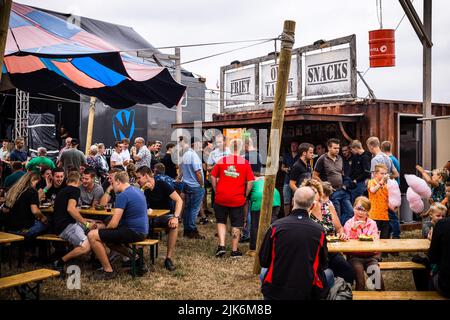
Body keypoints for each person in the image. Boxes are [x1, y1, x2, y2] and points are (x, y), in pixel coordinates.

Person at [259, 186, 329, 300]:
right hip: (307, 291)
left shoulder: (275, 227)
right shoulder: (319, 231)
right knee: (329, 274)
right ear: (312, 205)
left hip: (275, 291)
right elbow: (324, 263)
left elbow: (264, 261)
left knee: (264, 272)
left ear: (292, 201)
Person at [87, 171, 149, 280]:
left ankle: (108, 271)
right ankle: (136, 259)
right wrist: (104, 229)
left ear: (119, 182)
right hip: (142, 231)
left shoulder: (122, 195)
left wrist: (102, 230)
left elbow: (114, 224)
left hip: (132, 231)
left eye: (113, 182)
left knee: (92, 235)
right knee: (110, 241)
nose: (112, 185)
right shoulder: (138, 190)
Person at [302, 179, 354, 285]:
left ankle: (341, 291)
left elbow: (339, 227)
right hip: (313, 253)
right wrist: (308, 211)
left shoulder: (328, 207)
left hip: (331, 251)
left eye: (314, 192)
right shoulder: (303, 211)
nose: (312, 195)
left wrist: (341, 233)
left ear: (320, 194)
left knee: (348, 271)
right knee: (322, 275)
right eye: (309, 192)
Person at [211, 139, 255, 258]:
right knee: (236, 223)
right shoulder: (245, 163)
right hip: (237, 198)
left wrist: (216, 189)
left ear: (229, 147)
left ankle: (221, 246)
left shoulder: (222, 160)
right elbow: (251, 180)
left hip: (221, 197)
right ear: (240, 148)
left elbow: (213, 176)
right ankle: (235, 251)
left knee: (221, 221)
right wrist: (245, 194)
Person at [136, 166, 183, 271]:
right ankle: (138, 258)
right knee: (135, 226)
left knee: (174, 225)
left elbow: (179, 200)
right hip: (149, 218)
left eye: (139, 178)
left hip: (165, 216)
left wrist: (176, 217)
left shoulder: (162, 184)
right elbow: (138, 205)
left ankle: (168, 258)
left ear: (146, 176)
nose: (137, 180)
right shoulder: (143, 189)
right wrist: (143, 189)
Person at [52, 171, 96, 273]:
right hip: (67, 226)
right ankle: (60, 262)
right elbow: (70, 209)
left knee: (95, 229)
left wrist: (85, 221)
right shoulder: (75, 190)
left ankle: (95, 260)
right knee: (86, 246)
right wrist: (86, 223)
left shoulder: (62, 191)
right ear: (78, 181)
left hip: (59, 226)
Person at [343, 196, 384, 291]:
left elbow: (375, 240)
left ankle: (381, 295)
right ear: (353, 209)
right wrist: (353, 229)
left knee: (378, 282)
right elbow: (347, 244)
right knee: (361, 282)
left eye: (364, 210)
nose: (360, 212)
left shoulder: (372, 223)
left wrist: (373, 240)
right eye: (358, 209)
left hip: (370, 257)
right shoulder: (349, 223)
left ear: (368, 212)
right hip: (355, 257)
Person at [313, 138, 353, 225]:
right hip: (332, 192)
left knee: (350, 212)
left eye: (338, 148)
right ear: (329, 148)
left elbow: (341, 174)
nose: (337, 150)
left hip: (342, 189)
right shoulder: (322, 159)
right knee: (336, 214)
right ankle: (337, 233)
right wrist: (325, 186)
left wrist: (345, 185)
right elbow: (314, 176)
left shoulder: (340, 158)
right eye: (335, 148)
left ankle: (342, 228)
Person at [2, 172, 48, 239]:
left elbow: (5, 210)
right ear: (34, 181)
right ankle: (35, 248)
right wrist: (43, 217)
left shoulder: (13, 190)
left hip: (9, 229)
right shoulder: (32, 191)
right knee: (47, 224)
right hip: (23, 230)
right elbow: (35, 211)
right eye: (37, 183)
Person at [179, 136, 205, 239]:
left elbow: (181, 169)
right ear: (194, 144)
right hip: (195, 185)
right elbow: (198, 172)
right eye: (200, 143)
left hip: (187, 184)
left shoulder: (186, 154)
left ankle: (187, 229)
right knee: (194, 209)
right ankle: (191, 230)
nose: (201, 145)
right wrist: (202, 184)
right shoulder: (193, 155)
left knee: (188, 208)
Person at [248, 170, 280, 252]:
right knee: (272, 223)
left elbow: (247, 197)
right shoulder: (265, 178)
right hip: (275, 197)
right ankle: (274, 245)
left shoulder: (251, 180)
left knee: (255, 224)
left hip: (259, 199)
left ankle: (253, 247)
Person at [380, 140, 401, 239]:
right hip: (393, 190)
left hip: (391, 191)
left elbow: (395, 175)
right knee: (389, 216)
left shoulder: (389, 159)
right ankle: (389, 236)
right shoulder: (394, 159)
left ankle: (396, 236)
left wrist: (384, 177)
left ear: (381, 148)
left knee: (392, 216)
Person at [367, 164, 391, 239]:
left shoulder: (387, 184)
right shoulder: (371, 182)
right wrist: (381, 182)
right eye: (382, 173)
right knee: (374, 240)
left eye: (385, 173)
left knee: (385, 240)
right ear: (376, 174)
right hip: (374, 216)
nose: (384, 175)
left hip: (385, 216)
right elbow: (373, 190)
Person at [429, 216, 450, 297]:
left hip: (446, 287)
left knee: (422, 270)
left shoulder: (443, 224)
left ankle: (428, 295)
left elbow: (432, 258)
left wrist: (433, 240)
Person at [207, 134, 230, 207]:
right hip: (217, 180)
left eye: (220, 142)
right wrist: (217, 165)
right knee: (218, 200)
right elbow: (208, 168)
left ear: (225, 142)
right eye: (217, 142)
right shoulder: (213, 153)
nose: (218, 144)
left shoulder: (230, 152)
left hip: (229, 179)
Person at [281, 141, 299, 216]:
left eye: (295, 145)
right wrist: (285, 169)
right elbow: (282, 167)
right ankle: (286, 217)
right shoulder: (287, 155)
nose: (293, 147)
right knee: (286, 201)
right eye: (292, 145)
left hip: (296, 181)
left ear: (297, 146)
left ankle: (295, 216)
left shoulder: (300, 156)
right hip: (287, 181)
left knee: (296, 200)